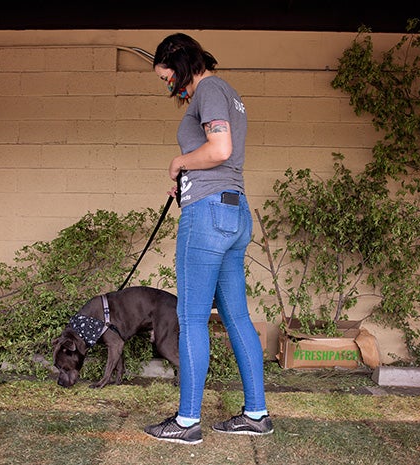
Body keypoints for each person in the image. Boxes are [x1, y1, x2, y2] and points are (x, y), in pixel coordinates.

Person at [143, 33, 273, 445]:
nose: (168, 87)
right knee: (236, 318)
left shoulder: (210, 89)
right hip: (234, 213)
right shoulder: (230, 92)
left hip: (209, 216)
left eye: (167, 78)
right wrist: (187, 179)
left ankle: (186, 423)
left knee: (191, 318)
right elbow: (219, 157)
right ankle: (256, 414)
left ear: (181, 64)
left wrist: (180, 162)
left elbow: (219, 148)